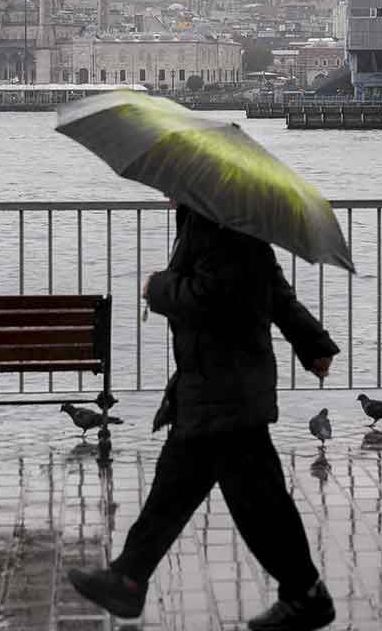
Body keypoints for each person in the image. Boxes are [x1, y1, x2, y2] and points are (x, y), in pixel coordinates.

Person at [67, 202, 341, 631]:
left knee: (256, 502)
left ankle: (305, 593)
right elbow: (275, 290)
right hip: (214, 384)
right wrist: (313, 343)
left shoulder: (219, 225)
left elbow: (213, 297)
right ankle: (128, 578)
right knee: (180, 487)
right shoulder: (230, 220)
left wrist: (158, 288)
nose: (165, 192)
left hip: (226, 387)